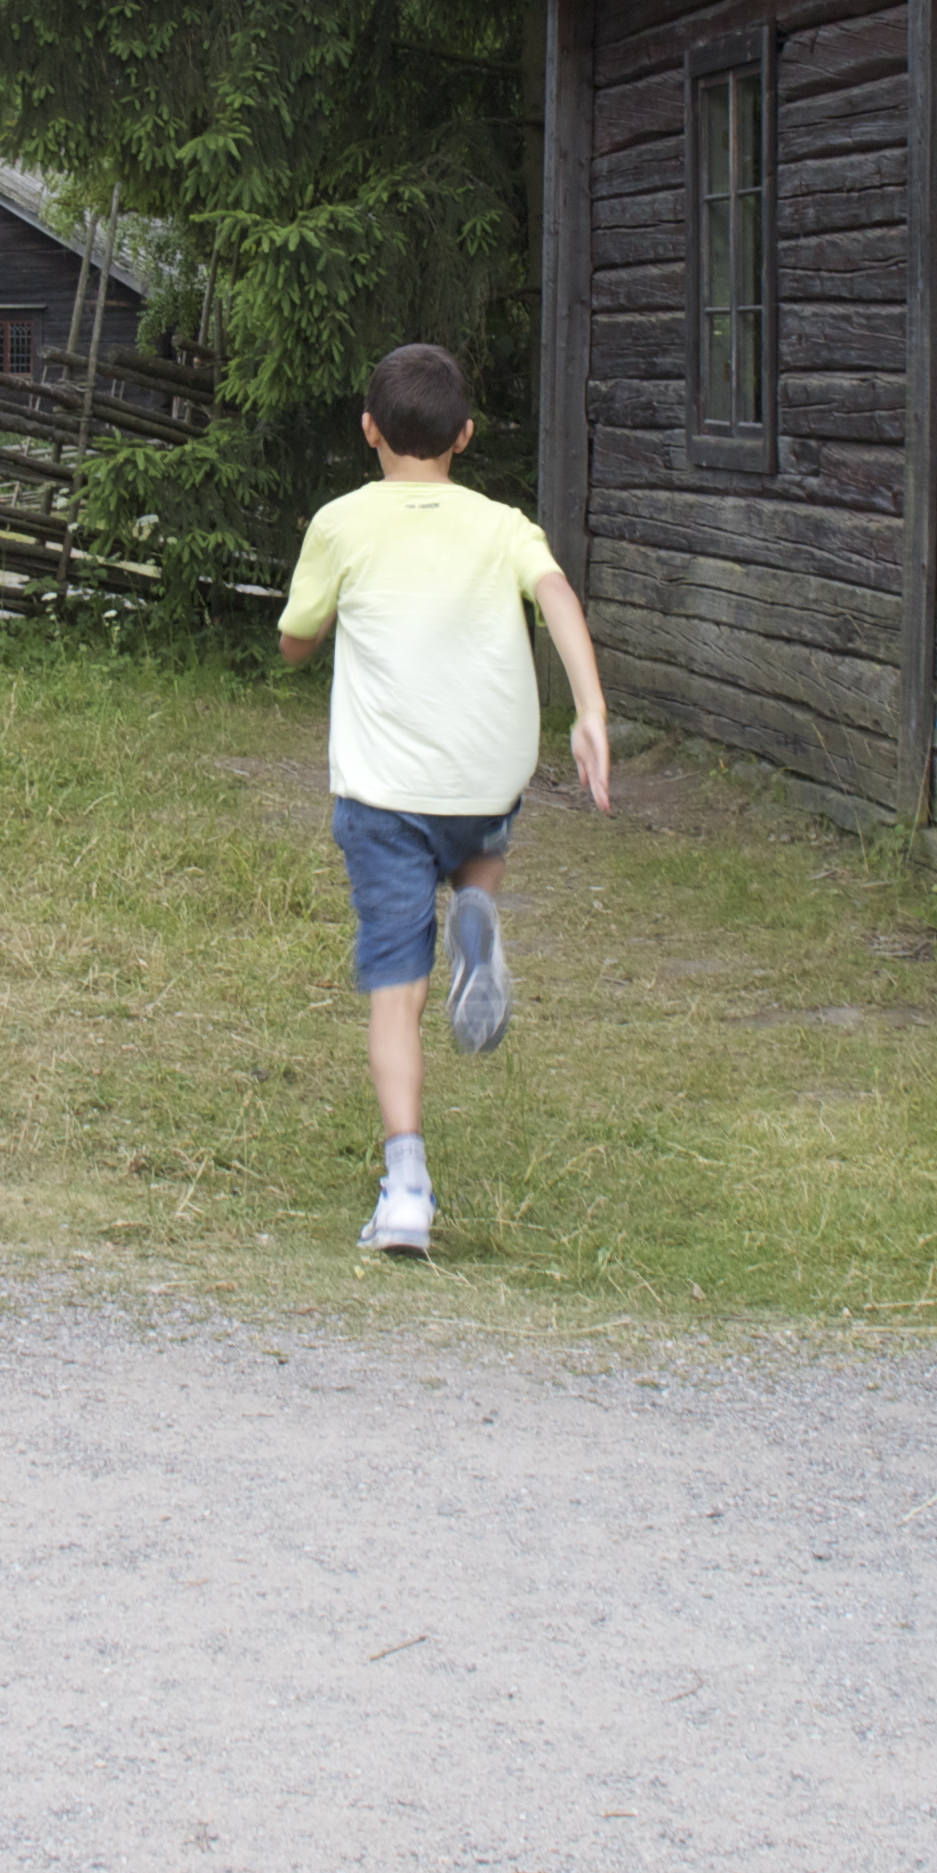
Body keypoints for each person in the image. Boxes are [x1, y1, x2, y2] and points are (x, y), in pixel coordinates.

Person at [275, 342, 614, 1257]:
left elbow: (296, 642)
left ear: (369, 431)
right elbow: (556, 595)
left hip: (384, 794)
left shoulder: (342, 523)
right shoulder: (503, 523)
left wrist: (334, 616)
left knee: (397, 993)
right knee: (478, 826)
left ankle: (408, 1191)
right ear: (466, 435)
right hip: (485, 782)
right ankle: (478, 905)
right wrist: (589, 711)